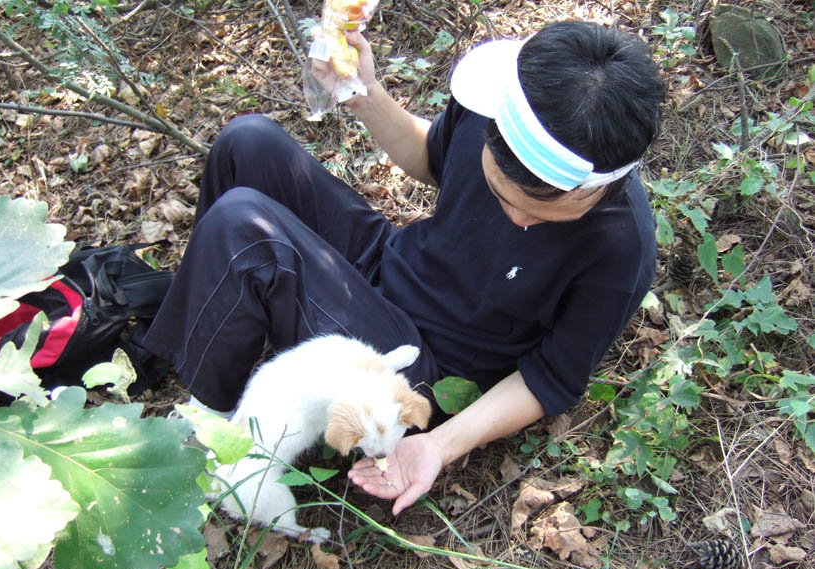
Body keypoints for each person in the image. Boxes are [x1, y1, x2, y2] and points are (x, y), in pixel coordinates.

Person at [142, 20, 665, 518]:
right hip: (390, 263)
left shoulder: (620, 246)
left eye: (543, 213)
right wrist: (362, 91)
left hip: (417, 362)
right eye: (503, 194)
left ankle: (209, 432)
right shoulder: (494, 103)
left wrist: (438, 444)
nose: (517, 218)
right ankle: (209, 328)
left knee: (244, 227)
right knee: (247, 142)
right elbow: (432, 158)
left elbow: (550, 380)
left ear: (598, 188)